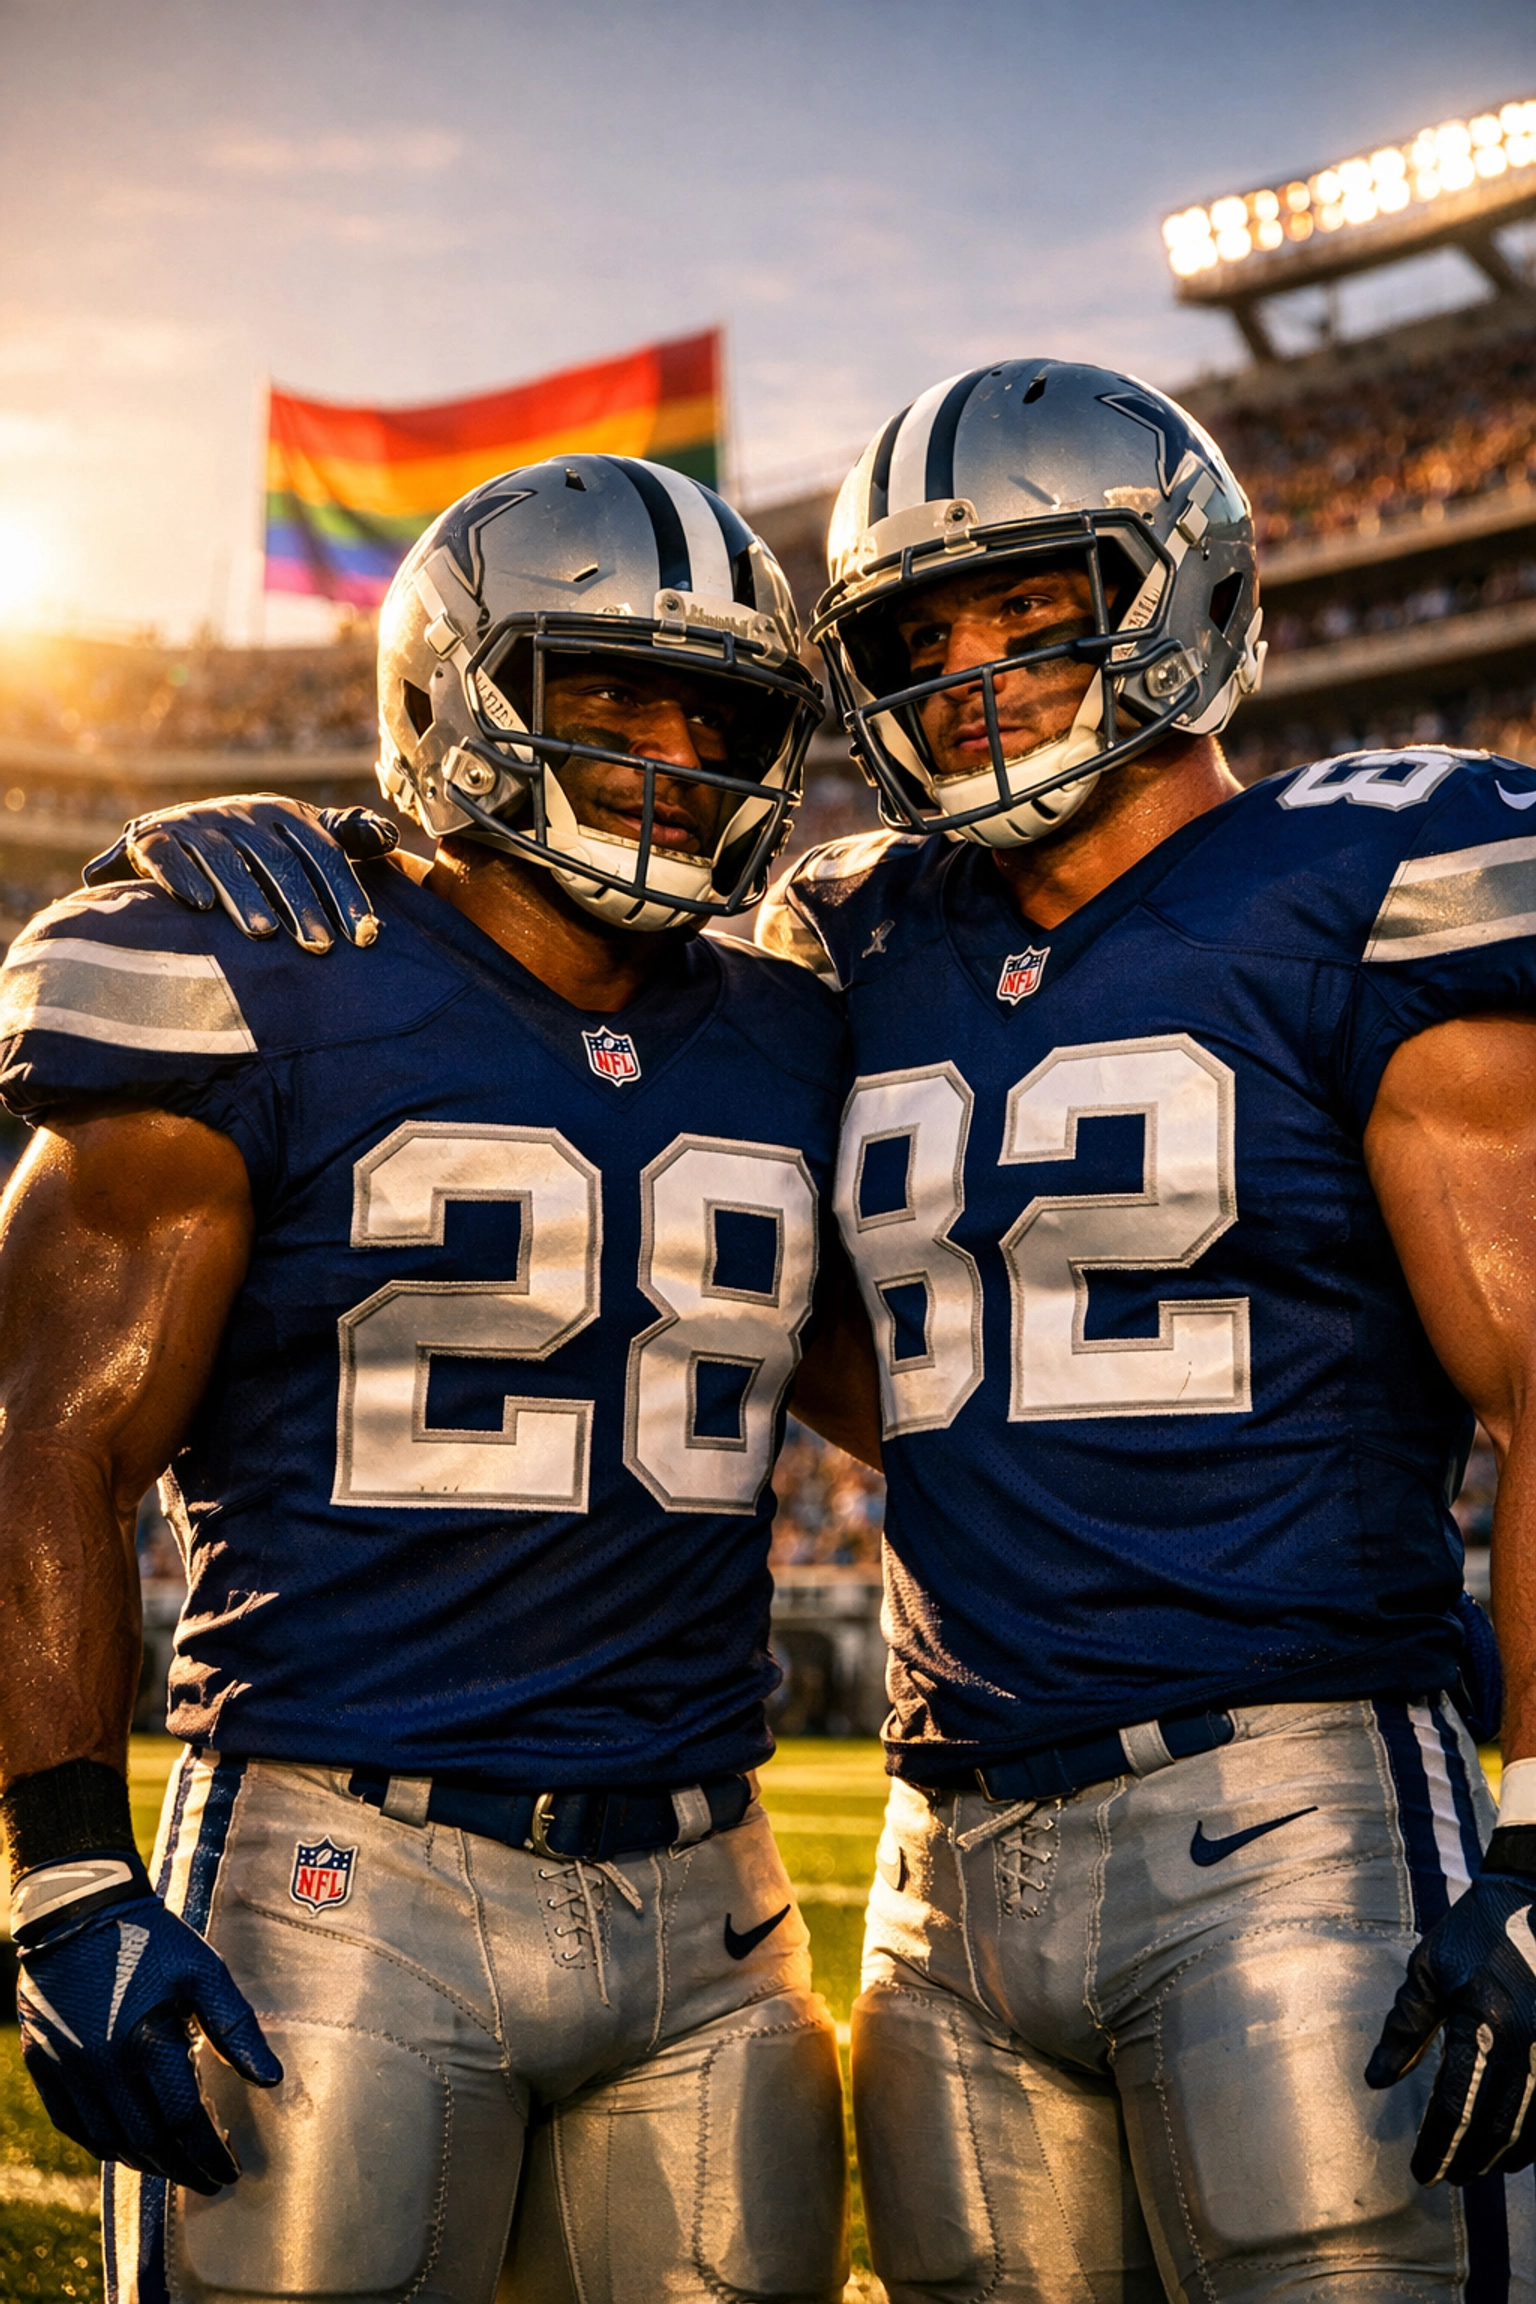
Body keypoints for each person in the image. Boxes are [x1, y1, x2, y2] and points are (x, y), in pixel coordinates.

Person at [139, 362, 1536, 2302]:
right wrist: (341, 844)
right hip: (945, 1841)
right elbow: (629, 1137)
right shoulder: (847, 934)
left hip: (1286, 1797)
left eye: (1033, 610)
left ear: (1179, 588)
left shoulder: (1381, 862)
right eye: (914, 631)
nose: (972, 670)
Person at [0, 454, 867, 2304]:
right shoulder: (255, 964)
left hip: (711, 1891)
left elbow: (956, 1382)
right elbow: (42, 1441)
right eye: (604, 692)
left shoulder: (804, 1032)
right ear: (456, 699)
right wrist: (63, 1866)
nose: (665, 749)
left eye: (712, 706)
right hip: (341, 1864)